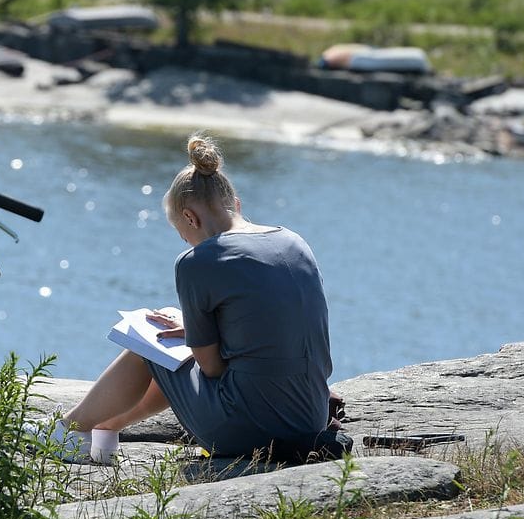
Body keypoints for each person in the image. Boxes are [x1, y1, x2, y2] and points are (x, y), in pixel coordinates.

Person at [27, 134, 344, 464]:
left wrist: (196, 339)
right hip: (309, 419)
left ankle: (68, 430)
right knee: (175, 340)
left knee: (150, 345)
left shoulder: (199, 261)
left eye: (184, 235)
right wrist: (196, 331)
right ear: (235, 204)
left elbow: (211, 367)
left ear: (190, 218)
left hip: (249, 431)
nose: (189, 243)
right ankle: (105, 427)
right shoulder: (294, 242)